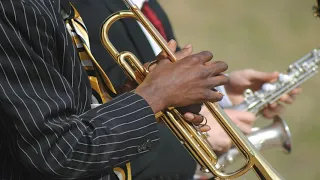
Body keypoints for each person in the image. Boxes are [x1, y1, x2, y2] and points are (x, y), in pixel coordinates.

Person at [71, 0, 301, 179]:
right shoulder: (86, 15)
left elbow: (167, 83)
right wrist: (187, 141)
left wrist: (223, 93)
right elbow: (101, 113)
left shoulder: (147, 7)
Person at [0, 1, 230, 180]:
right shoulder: (18, 7)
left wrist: (131, 96)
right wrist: (155, 94)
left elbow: (64, 115)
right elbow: (57, 152)